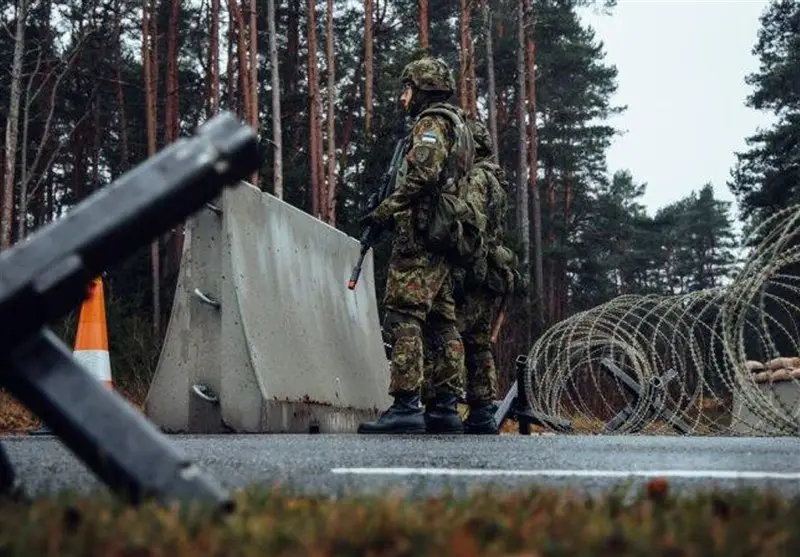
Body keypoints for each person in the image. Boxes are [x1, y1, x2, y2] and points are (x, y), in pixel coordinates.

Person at [357, 54, 475, 435]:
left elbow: (421, 176)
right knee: (442, 322)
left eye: (407, 89)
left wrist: (383, 212)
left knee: (404, 315)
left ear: (423, 89)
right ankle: (444, 407)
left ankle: (406, 404)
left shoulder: (431, 124)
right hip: (443, 237)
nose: (403, 98)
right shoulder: (458, 125)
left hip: (421, 237)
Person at [453, 118, 516, 434]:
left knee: (453, 333)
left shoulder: (477, 178)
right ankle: (481, 409)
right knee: (478, 342)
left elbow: (471, 222)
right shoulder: (497, 180)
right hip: (491, 271)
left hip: (475, 270)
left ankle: (447, 404)